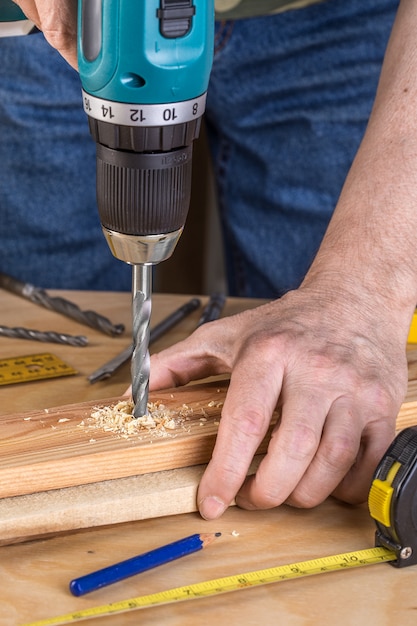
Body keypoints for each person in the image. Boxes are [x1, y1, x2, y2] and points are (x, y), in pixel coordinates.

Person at [7, 0, 417, 521]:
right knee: (47, 331)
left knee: (322, 392)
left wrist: (362, 294)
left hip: (339, 18)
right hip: (48, 30)